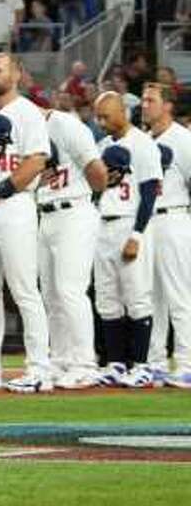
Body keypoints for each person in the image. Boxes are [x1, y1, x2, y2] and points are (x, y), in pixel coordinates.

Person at [0, 51, 53, 393]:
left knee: (23, 290)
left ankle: (39, 369)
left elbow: (36, 162)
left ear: (17, 74)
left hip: (14, 206)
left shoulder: (29, 113)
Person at [36, 82, 108, 390]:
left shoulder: (66, 124)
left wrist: (79, 193)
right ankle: (61, 359)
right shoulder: (30, 133)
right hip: (46, 213)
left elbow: (99, 174)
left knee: (70, 290)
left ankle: (85, 364)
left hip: (74, 212)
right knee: (51, 294)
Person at [91, 91, 162, 386]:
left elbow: (149, 193)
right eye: (98, 116)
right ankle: (117, 364)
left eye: (106, 115)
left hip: (129, 223)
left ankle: (142, 365)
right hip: (102, 225)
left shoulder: (143, 144)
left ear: (123, 111)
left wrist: (137, 234)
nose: (101, 121)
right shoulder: (103, 145)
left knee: (137, 296)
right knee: (107, 299)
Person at [140, 82, 191, 385]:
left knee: (179, 294)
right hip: (147, 222)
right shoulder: (144, 140)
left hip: (174, 218)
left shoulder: (184, 140)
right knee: (151, 296)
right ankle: (156, 361)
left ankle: (187, 362)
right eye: (144, 100)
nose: (145, 105)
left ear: (168, 105)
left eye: (151, 100)